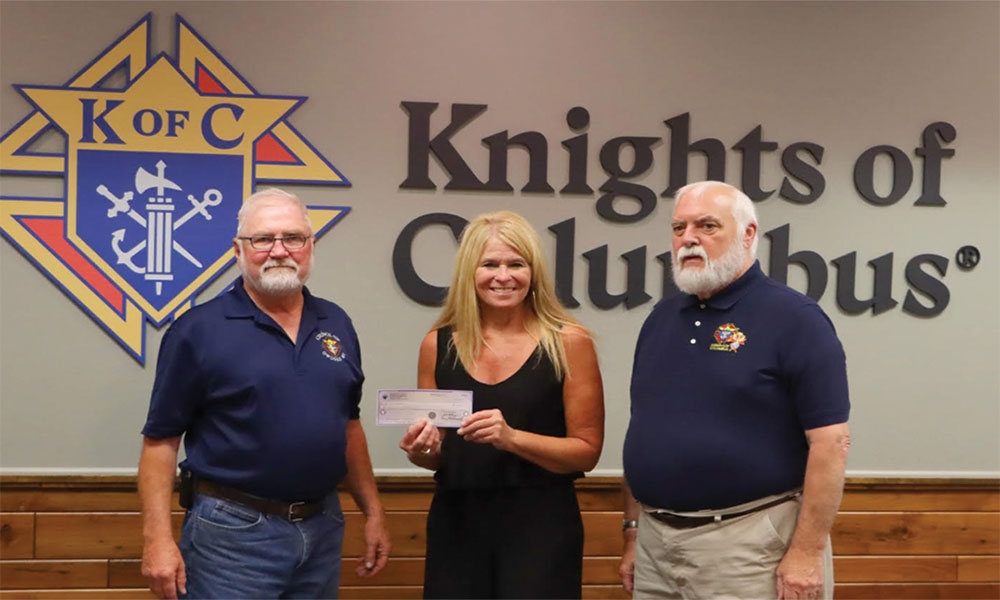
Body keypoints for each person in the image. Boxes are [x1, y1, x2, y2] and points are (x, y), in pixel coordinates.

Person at [138, 188, 390, 599]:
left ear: (310, 246)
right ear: (238, 250)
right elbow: (160, 442)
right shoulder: (198, 330)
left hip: (323, 526)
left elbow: (348, 425)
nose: (279, 250)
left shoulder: (337, 322)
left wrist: (374, 511)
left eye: (293, 238)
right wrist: (157, 541)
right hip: (232, 533)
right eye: (262, 239)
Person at [619, 181, 851, 600]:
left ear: (748, 234)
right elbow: (643, 430)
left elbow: (831, 443)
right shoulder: (660, 318)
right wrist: (634, 533)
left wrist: (806, 552)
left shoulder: (795, 318)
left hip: (749, 545)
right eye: (679, 228)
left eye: (707, 225)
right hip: (656, 547)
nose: (689, 238)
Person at [398, 210, 605, 599]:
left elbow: (586, 453)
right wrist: (421, 450)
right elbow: (436, 455)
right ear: (469, 273)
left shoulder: (569, 343)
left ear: (534, 272)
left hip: (541, 527)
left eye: (516, 264)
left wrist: (510, 438)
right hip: (457, 523)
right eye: (490, 264)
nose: (503, 276)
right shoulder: (437, 345)